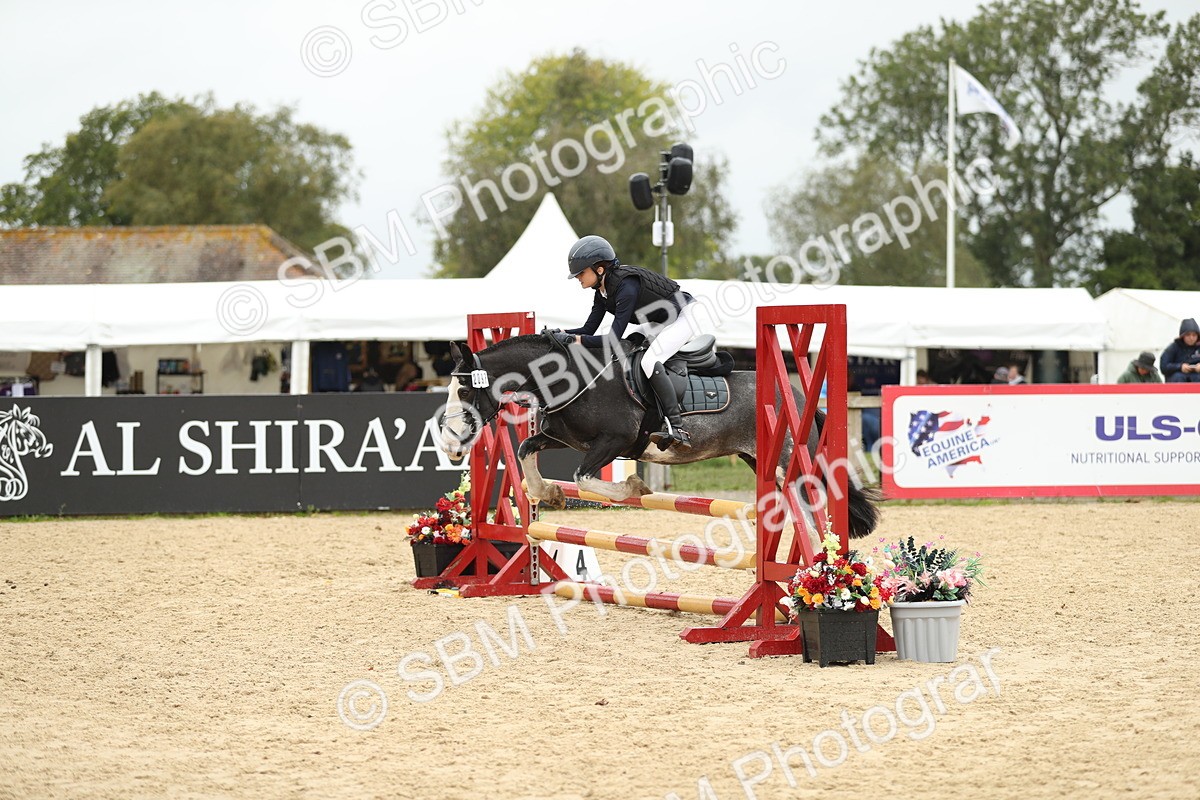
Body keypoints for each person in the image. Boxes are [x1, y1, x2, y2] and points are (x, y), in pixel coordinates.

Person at [553, 234, 702, 449]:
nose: (578, 278)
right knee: (630, 346)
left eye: (581, 273)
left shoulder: (626, 286)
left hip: (685, 315)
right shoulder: (602, 292)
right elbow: (588, 330)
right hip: (661, 319)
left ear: (600, 269)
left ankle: (676, 427)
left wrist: (574, 340)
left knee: (649, 361)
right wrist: (560, 333)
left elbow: (612, 339)